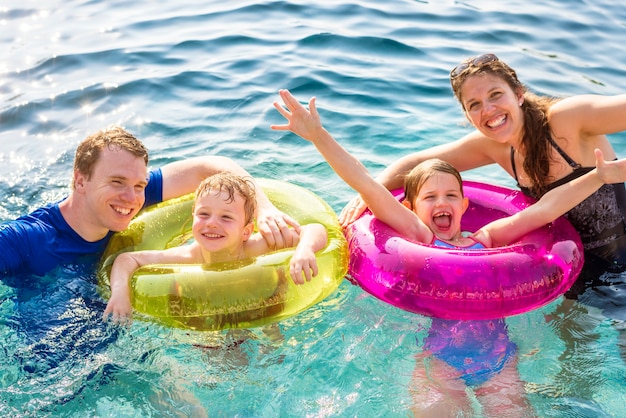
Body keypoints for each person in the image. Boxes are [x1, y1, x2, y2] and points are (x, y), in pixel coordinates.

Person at [270, 88, 626, 416]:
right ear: (411, 207)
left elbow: (544, 211)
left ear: (465, 203)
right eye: (430, 197)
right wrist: (318, 135)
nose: (442, 203)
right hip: (440, 361)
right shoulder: (419, 236)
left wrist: (597, 176)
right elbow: (362, 180)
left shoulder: (484, 239)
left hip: (500, 361)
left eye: (451, 195)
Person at [339, 53, 626, 289]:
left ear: (519, 94)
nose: (488, 110)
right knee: (572, 358)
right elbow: (414, 165)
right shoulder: (494, 146)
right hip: (571, 268)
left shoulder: (568, 119)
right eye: (474, 105)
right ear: (467, 115)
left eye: (496, 95)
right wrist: (369, 192)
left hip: (622, 261)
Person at [0, 126, 299, 278]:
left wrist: (264, 208)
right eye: (116, 182)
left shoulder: (133, 199)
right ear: (80, 180)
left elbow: (211, 165)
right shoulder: (31, 238)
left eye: (140, 185)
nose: (131, 199)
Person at [103, 172, 328, 322]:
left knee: (271, 349)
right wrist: (121, 292)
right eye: (203, 214)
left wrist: (304, 249)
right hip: (211, 312)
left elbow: (316, 230)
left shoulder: (259, 247)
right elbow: (127, 260)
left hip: (265, 305)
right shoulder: (189, 256)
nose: (211, 223)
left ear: (246, 231)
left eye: (226, 217)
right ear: (192, 219)